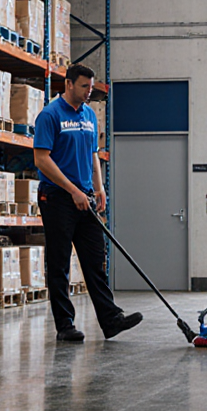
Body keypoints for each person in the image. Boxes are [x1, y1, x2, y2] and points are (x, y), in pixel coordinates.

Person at [32, 64, 143, 342]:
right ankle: (65, 325)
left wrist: (99, 187)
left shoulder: (90, 114)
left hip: (85, 197)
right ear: (68, 84)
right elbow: (41, 159)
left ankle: (110, 319)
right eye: (84, 87)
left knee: (95, 259)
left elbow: (93, 153)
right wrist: (72, 190)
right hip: (57, 197)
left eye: (91, 87)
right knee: (59, 263)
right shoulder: (50, 115)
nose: (88, 92)